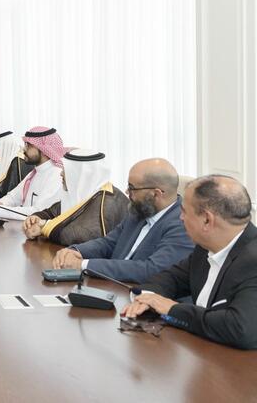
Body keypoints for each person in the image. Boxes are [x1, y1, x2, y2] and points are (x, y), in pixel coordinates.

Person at [122, 175, 257, 349]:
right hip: (204, 352)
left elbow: (240, 329)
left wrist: (172, 309)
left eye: (184, 211)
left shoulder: (253, 260)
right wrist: (147, 298)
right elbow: (172, 278)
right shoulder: (205, 247)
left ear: (207, 220)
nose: (180, 218)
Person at [52, 158, 194, 283]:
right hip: (112, 285)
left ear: (156, 194)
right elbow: (108, 243)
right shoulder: (139, 211)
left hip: (145, 296)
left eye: (132, 188)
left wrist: (83, 265)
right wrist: (75, 251)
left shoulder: (183, 224)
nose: (126, 192)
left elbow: (151, 270)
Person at [22, 149, 129, 245]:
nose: (61, 174)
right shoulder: (82, 192)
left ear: (79, 173)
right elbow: (52, 213)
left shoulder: (107, 200)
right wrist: (35, 218)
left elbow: (86, 235)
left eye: (65, 170)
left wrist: (45, 226)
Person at [0, 126, 65, 220]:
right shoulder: (35, 172)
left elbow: (38, 213)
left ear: (44, 150)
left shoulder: (56, 175)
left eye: (28, 145)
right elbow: (13, 197)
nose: (24, 149)